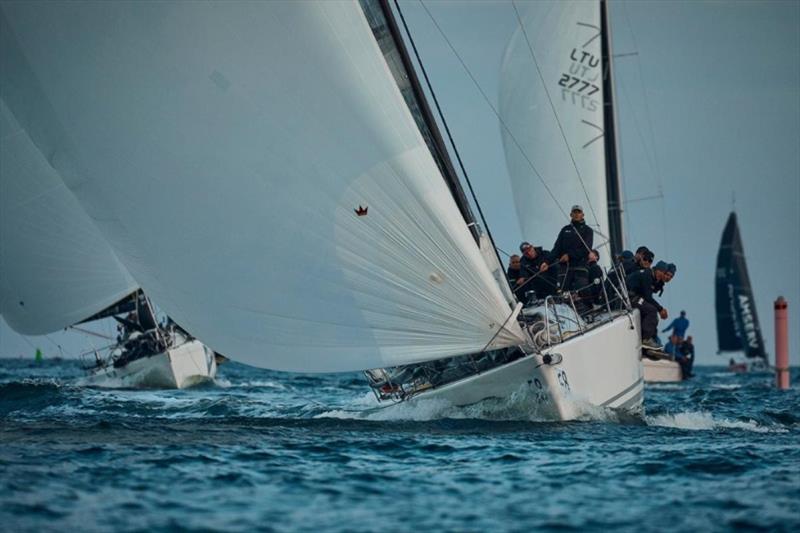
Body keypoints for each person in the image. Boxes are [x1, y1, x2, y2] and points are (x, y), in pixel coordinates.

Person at [540, 205, 593, 292]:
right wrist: (547, 262)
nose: (576, 214)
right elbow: (557, 248)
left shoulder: (588, 230)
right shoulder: (565, 230)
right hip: (564, 268)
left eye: (578, 212)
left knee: (581, 292)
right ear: (571, 214)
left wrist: (569, 255)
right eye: (574, 212)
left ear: (583, 215)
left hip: (580, 267)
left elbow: (586, 249)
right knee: (562, 292)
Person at [626, 252, 668, 348]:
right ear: (656, 269)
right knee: (652, 310)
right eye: (660, 272)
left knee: (650, 308)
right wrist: (660, 309)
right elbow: (648, 297)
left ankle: (649, 336)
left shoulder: (650, 275)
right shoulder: (647, 275)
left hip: (633, 296)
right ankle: (645, 339)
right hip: (629, 297)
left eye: (663, 274)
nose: (661, 275)